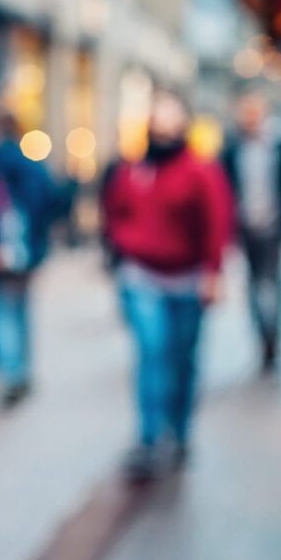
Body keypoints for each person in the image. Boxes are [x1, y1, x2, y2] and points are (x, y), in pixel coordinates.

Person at [101, 89, 233, 479]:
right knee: (151, 352)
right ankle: (148, 436)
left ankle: (179, 430)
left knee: (183, 357)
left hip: (187, 278)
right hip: (141, 275)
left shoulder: (201, 171)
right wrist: (122, 245)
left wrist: (212, 271)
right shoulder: (132, 169)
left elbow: (217, 222)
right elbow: (114, 211)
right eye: (156, 119)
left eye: (169, 119)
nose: (162, 128)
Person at [219, 91, 281, 373]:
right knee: (255, 284)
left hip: (276, 227)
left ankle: (275, 336)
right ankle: (263, 337)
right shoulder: (232, 150)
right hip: (246, 227)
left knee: (277, 283)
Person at [0, 109, 57, 406]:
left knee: (4, 310)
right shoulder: (31, 164)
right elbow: (48, 201)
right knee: (21, 310)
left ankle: (11, 372)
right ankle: (22, 370)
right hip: (26, 248)